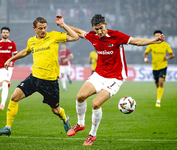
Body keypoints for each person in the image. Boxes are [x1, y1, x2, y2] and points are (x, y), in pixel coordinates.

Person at [66, 14, 165, 146]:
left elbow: (136, 41)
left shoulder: (116, 36)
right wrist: (63, 25)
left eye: (101, 28)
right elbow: (78, 31)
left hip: (115, 77)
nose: (99, 32)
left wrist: (153, 41)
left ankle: (92, 135)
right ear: (93, 28)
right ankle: (80, 124)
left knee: (95, 104)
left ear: (105, 25)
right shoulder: (93, 36)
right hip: (99, 74)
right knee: (80, 96)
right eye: (96, 29)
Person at [0, 15, 79, 136]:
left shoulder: (54, 35)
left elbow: (75, 37)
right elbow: (25, 51)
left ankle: (65, 119)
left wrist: (62, 25)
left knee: (55, 110)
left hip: (50, 81)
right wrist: (11, 59)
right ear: (34, 28)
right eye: (40, 28)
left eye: (45, 27)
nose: (43, 30)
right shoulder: (31, 41)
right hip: (34, 78)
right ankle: (8, 127)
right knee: (14, 97)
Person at [143, 30, 174, 108]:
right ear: (154, 37)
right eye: (156, 36)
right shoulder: (151, 45)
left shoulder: (165, 45)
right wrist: (145, 59)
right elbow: (145, 53)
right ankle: (159, 93)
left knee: (161, 82)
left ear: (161, 36)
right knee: (157, 84)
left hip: (163, 66)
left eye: (159, 36)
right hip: (155, 68)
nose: (157, 37)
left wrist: (167, 57)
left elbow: (172, 55)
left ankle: (158, 101)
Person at [0, 27, 17, 110]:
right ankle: (6, 82)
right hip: (0, 68)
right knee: (0, 87)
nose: (5, 34)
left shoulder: (12, 44)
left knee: (5, 85)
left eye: (7, 32)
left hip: (9, 68)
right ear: (1, 34)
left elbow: (16, 56)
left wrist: (12, 61)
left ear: (9, 34)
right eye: (4, 32)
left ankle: (2, 104)